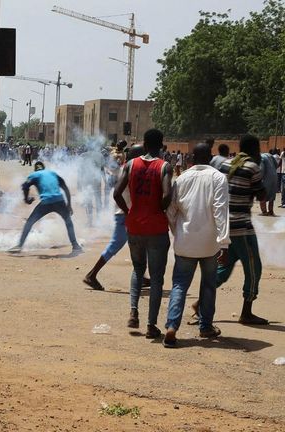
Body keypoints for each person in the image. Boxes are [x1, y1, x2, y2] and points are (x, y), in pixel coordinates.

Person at [163, 143, 230, 348]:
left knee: (179, 285)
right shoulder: (218, 178)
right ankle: (205, 326)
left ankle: (172, 327)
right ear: (210, 157)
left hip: (185, 242)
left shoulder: (181, 178)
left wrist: (178, 233)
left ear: (191, 158)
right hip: (210, 244)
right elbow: (220, 210)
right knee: (208, 285)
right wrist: (224, 243)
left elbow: (171, 211)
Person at [113, 129, 173, 339]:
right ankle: (151, 325)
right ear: (161, 145)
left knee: (138, 268)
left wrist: (129, 211)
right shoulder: (164, 166)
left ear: (145, 145)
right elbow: (167, 195)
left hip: (134, 225)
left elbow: (116, 193)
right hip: (156, 227)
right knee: (157, 277)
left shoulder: (130, 165)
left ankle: (133, 311)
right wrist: (160, 209)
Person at [213, 135, 269, 325]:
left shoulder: (225, 165)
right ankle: (247, 312)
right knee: (254, 269)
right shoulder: (252, 167)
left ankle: (200, 302)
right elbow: (262, 195)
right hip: (242, 227)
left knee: (224, 268)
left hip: (224, 226)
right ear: (254, 149)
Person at [84, 145, 150, 291]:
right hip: (125, 215)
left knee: (139, 244)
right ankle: (92, 274)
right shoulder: (132, 170)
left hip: (127, 214)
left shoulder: (124, 169)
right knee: (116, 245)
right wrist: (128, 211)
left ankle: (142, 276)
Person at [8, 161, 83, 254]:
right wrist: (69, 205)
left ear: (35, 169)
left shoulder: (34, 174)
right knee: (68, 221)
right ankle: (75, 245)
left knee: (29, 222)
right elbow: (65, 187)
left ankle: (19, 246)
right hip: (59, 200)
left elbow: (24, 186)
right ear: (43, 168)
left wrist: (26, 199)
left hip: (46, 202)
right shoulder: (52, 173)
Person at [259, 149, 277, 216]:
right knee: (272, 196)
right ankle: (271, 211)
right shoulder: (269, 155)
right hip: (275, 177)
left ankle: (264, 212)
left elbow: (261, 169)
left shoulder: (260, 157)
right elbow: (276, 164)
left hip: (267, 177)